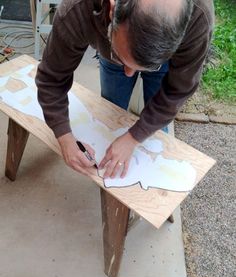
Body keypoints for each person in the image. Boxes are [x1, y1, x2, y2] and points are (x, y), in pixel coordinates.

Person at [35, 0, 214, 179]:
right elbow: (52, 78)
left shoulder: (199, 18)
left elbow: (177, 92)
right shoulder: (78, 7)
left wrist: (134, 137)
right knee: (110, 113)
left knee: (155, 138)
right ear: (112, 10)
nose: (129, 74)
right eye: (119, 56)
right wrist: (64, 137)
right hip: (111, 32)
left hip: (146, 48)